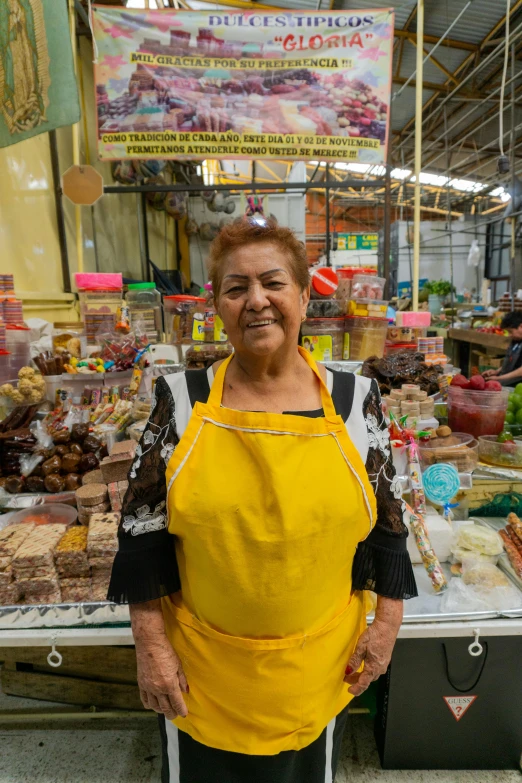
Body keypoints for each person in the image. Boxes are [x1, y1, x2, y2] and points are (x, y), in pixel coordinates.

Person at [109, 218, 417, 783]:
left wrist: (385, 628)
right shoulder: (181, 399)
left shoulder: (354, 399)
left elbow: (387, 524)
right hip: (202, 670)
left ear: (303, 295)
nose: (256, 301)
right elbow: (141, 532)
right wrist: (151, 647)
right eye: (235, 288)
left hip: (318, 665)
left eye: (273, 283)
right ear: (217, 306)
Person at [483, 311, 522, 386]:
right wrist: (496, 372)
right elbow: (510, 360)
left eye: (510, 331)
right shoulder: (516, 340)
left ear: (521, 326)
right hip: (507, 382)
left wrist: (500, 378)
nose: (509, 335)